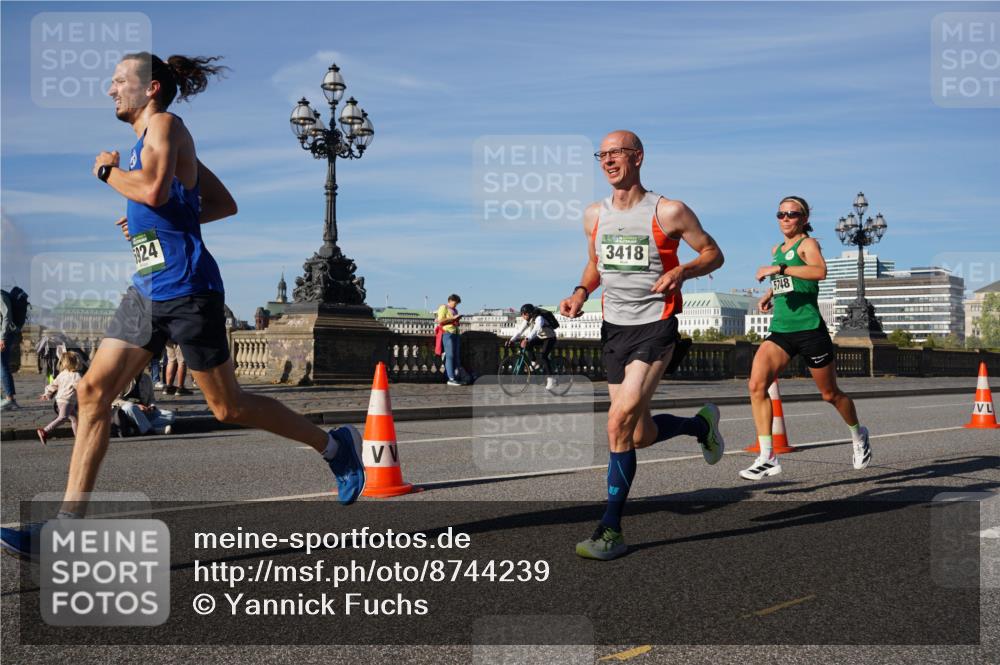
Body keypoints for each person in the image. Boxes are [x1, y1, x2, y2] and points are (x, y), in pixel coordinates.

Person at [1, 52, 364, 560]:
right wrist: (164, 216)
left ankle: (335, 446)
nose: (110, 89)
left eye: (118, 81)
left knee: (227, 406)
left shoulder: (167, 126)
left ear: (150, 89)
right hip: (146, 289)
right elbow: (212, 203)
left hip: (190, 289)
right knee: (91, 393)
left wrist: (107, 173)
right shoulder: (144, 145)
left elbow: (152, 189)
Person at [559, 130, 726, 561]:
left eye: (616, 152)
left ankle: (610, 530)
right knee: (638, 434)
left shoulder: (668, 211)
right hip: (614, 328)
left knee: (616, 423)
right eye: (602, 154)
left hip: (656, 325)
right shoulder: (593, 215)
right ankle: (699, 426)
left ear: (638, 157)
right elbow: (595, 264)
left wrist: (682, 273)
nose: (608, 160)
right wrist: (580, 291)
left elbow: (713, 253)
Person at [740, 196, 871, 481]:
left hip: (810, 330)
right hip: (781, 330)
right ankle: (768, 456)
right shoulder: (778, 249)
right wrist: (769, 294)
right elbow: (786, 282)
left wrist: (780, 269)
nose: (785, 218)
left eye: (792, 214)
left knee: (830, 395)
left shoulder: (808, 245)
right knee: (756, 384)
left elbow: (819, 272)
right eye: (781, 214)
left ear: (804, 218)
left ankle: (858, 433)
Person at [508, 303, 559, 391]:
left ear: (528, 313)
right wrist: (511, 340)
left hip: (550, 337)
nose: (522, 316)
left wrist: (527, 339)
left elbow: (537, 329)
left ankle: (552, 380)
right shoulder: (528, 320)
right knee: (528, 345)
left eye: (523, 314)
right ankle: (534, 363)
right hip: (541, 337)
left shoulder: (539, 318)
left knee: (544, 356)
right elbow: (520, 331)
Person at [37, 351, 84, 445]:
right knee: (62, 417)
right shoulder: (76, 375)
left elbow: (53, 385)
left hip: (60, 399)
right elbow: (82, 387)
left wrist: (47, 394)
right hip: (67, 400)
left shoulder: (62, 373)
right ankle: (44, 431)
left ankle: (79, 439)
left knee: (75, 418)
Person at [113, 369, 175, 436]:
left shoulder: (146, 378)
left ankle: (136, 429)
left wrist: (152, 406)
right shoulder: (122, 378)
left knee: (170, 415)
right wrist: (137, 406)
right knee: (130, 407)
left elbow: (151, 398)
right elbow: (115, 400)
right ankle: (153, 430)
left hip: (144, 411)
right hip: (127, 412)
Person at [436, 294, 467, 386]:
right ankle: (451, 378)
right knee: (450, 356)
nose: (456, 305)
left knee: (456, 357)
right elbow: (440, 321)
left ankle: (454, 376)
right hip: (447, 333)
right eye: (455, 303)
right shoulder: (443, 307)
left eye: (457, 304)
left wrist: (456, 320)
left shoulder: (455, 310)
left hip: (455, 334)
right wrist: (452, 318)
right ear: (450, 300)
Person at [0, 289, 22, 410]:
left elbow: (7, 316)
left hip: (5, 335)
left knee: (2, 365)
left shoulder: (1, 296)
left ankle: (10, 399)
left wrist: (2, 338)